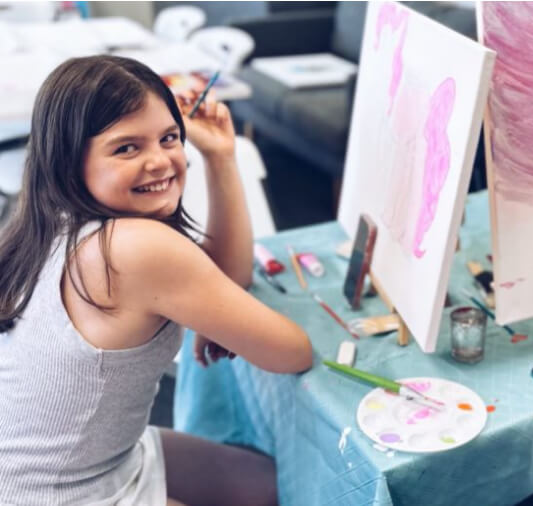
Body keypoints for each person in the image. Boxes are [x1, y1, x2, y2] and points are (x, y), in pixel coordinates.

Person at [0, 55, 313, 506]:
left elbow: (231, 277)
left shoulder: (53, 218)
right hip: (57, 494)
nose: (160, 161)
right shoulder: (134, 248)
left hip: (90, 459)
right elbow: (292, 352)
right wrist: (215, 311)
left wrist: (220, 156)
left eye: (169, 138)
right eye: (127, 148)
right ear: (70, 160)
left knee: (268, 482)